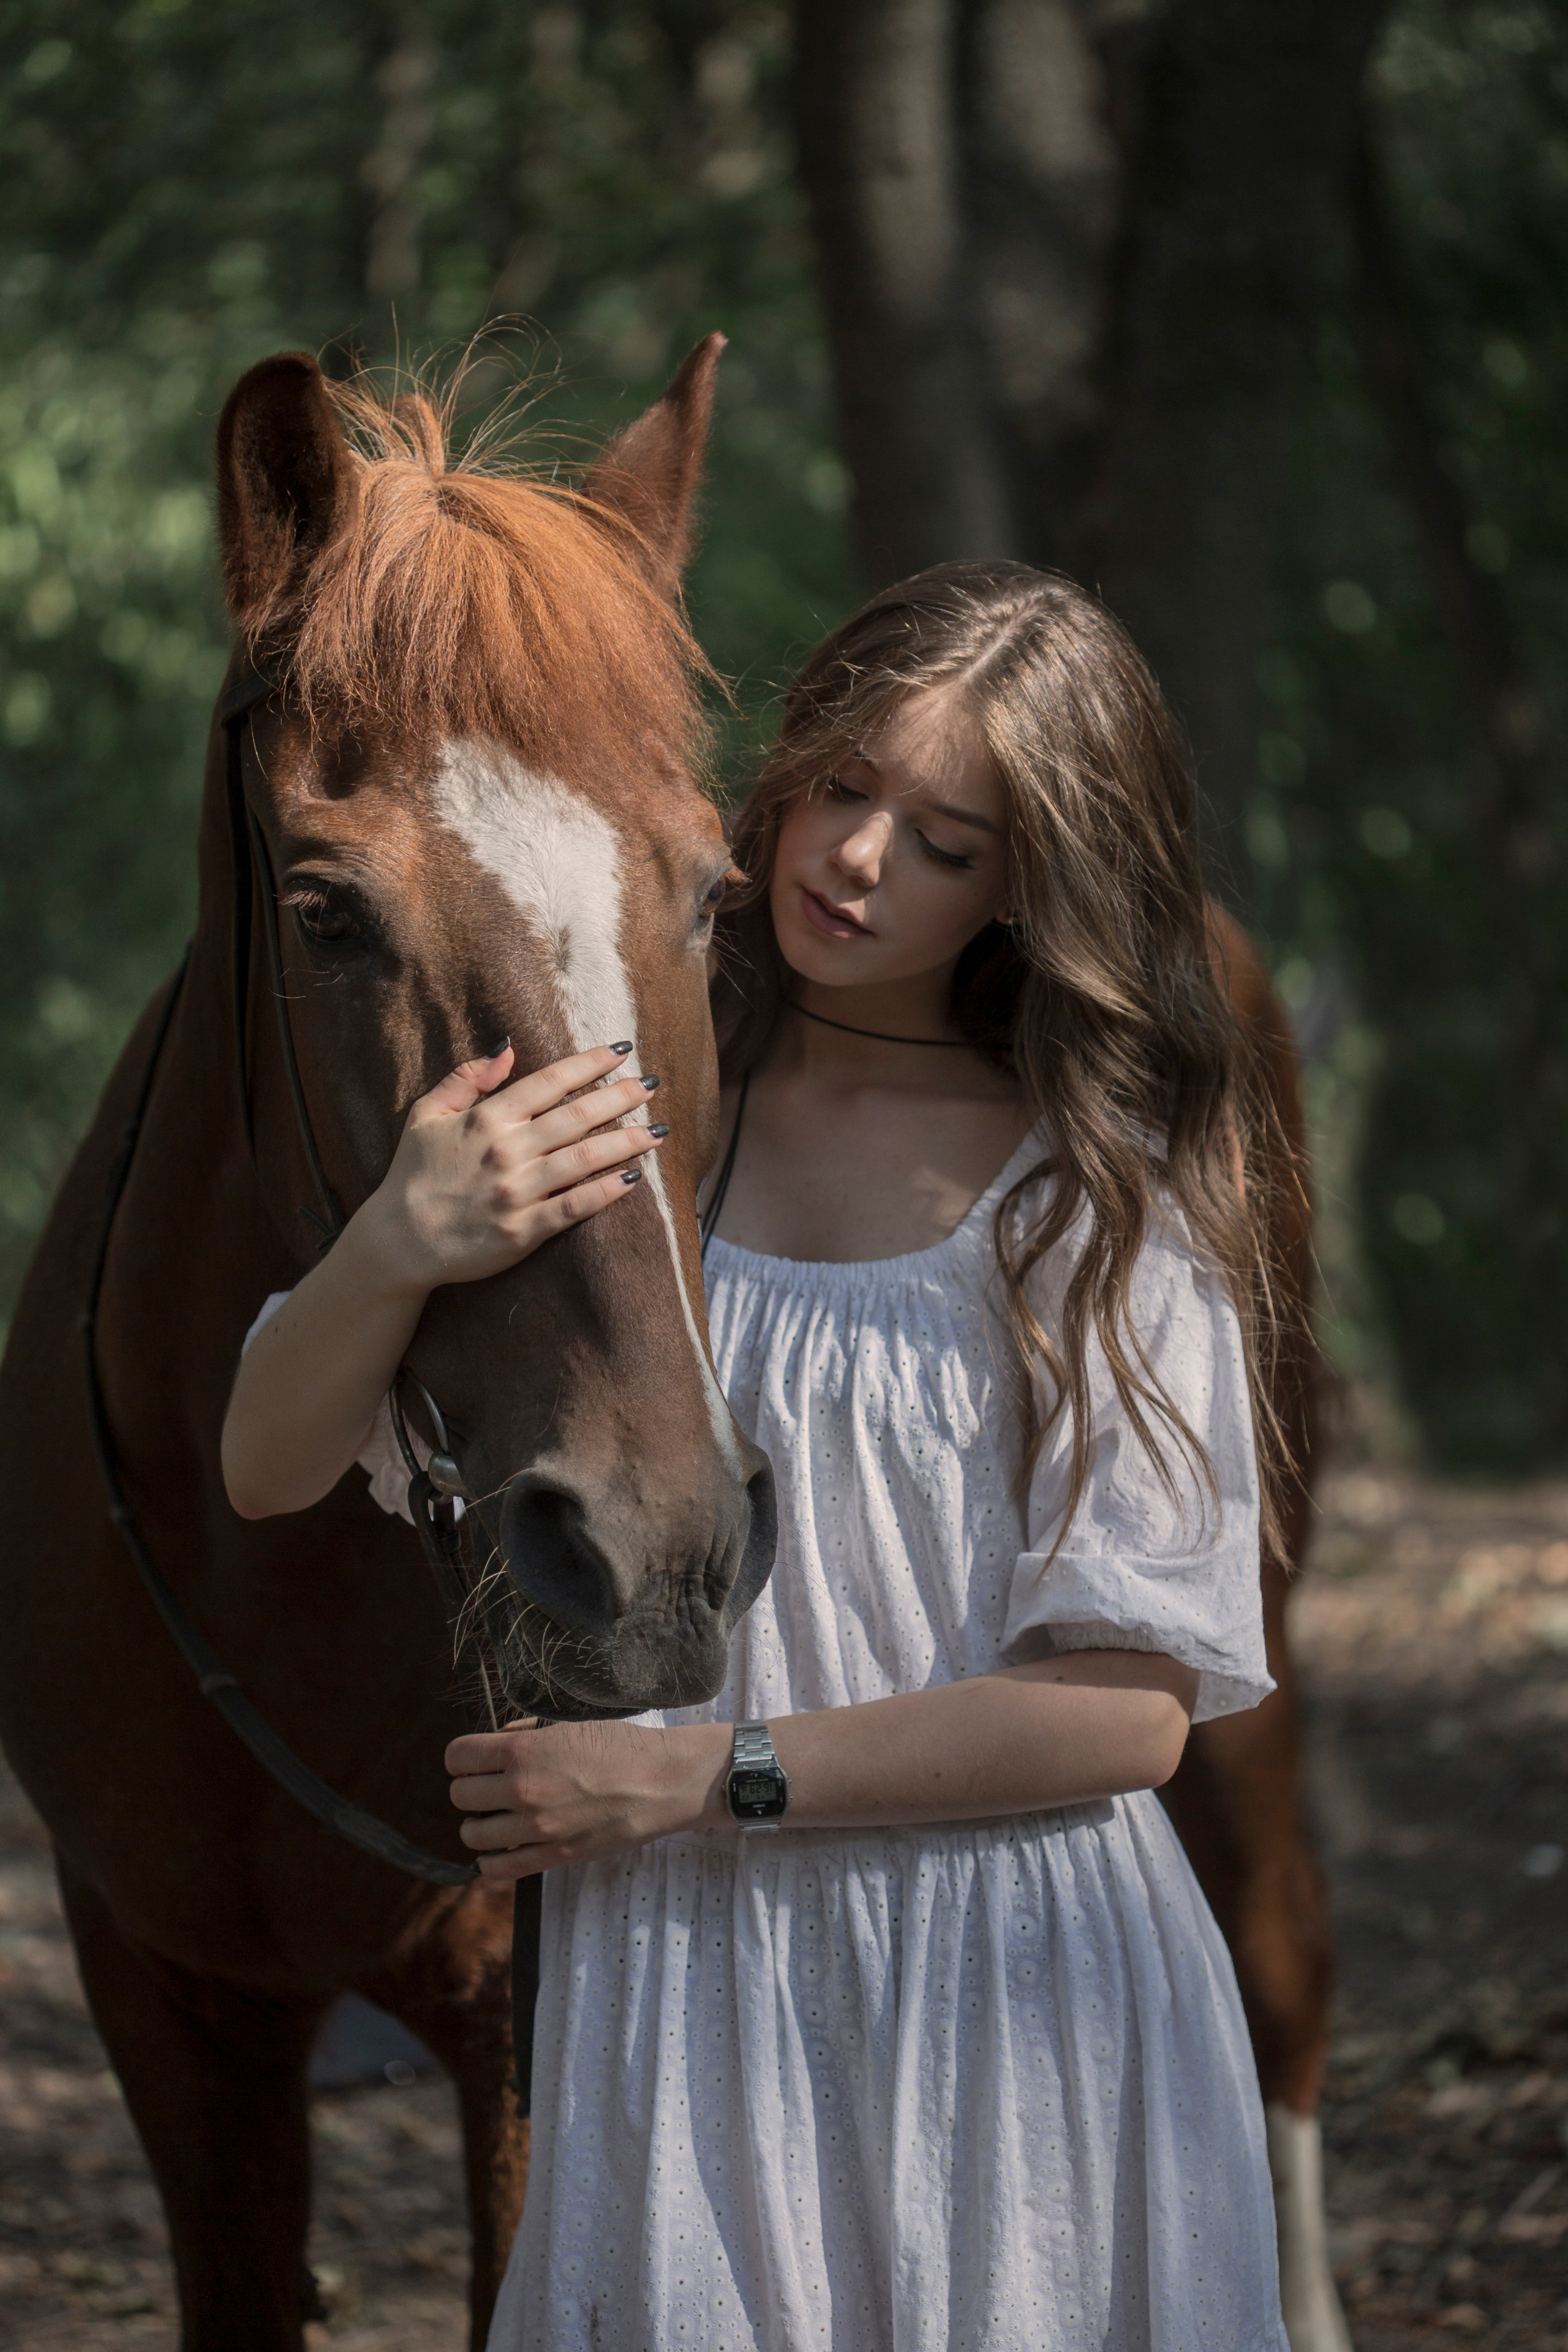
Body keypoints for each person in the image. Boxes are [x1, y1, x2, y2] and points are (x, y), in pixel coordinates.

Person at [224, 561, 1292, 2352]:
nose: (859, 858)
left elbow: (1128, 1710)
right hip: (685, 1994)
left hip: (1011, 2000)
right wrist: (394, 1244)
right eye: (846, 783)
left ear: (1032, 876)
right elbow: (267, 1463)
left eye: (947, 839)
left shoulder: (1097, 1190)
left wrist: (694, 1783)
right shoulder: (622, 1116)